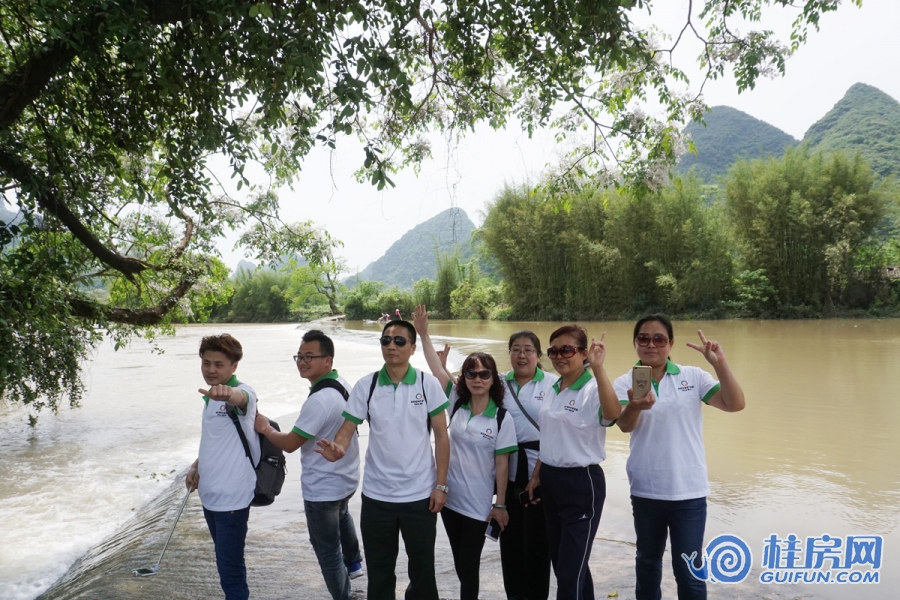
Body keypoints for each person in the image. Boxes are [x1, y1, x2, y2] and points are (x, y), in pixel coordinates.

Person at [611, 315, 745, 600]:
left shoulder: (693, 376)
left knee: (689, 570)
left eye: (659, 339)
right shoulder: (625, 382)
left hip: (689, 492)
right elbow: (624, 425)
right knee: (647, 563)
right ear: (635, 343)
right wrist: (635, 406)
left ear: (670, 344)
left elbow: (735, 404)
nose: (651, 345)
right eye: (644, 338)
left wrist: (719, 363)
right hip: (646, 489)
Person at [316, 319, 450, 600]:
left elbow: (441, 436)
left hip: (419, 495)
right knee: (379, 572)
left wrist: (440, 486)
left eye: (399, 341)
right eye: (386, 340)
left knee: (423, 572)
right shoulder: (367, 385)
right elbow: (347, 430)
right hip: (377, 496)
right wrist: (337, 448)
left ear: (412, 347)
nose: (391, 346)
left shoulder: (427, 384)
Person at [413, 305, 518, 600]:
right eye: (471, 373)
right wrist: (423, 334)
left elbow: (502, 465)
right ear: (465, 377)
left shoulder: (502, 419)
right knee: (460, 563)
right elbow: (436, 370)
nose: (477, 379)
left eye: (484, 374)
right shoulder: (456, 403)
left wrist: (500, 504)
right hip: (449, 498)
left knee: (469, 565)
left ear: (493, 379)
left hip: (478, 504)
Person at [254, 330, 363, 600]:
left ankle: (344, 596)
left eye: (309, 357)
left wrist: (266, 428)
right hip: (347, 478)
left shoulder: (320, 400)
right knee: (342, 514)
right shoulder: (342, 384)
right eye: (299, 357)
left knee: (327, 550)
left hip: (322, 487)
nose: (302, 362)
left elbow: (290, 443)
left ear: (327, 360)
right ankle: (354, 564)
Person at [526, 325, 622, 600]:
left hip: (581, 483)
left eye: (566, 350)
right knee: (564, 562)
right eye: (553, 351)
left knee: (570, 571)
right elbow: (550, 437)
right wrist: (536, 476)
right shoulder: (554, 387)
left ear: (583, 354)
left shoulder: (593, 388)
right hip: (551, 480)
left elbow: (613, 414)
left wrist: (599, 369)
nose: (559, 356)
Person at [186, 334, 259, 600]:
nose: (211, 370)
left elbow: (241, 398)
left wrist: (228, 393)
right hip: (210, 494)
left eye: (219, 364)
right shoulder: (208, 398)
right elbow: (214, 440)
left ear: (234, 366)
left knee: (230, 571)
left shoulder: (244, 394)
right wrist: (196, 466)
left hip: (232, 498)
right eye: (206, 363)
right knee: (225, 563)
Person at [499, 331, 555, 600]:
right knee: (510, 543)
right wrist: (426, 338)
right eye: (516, 349)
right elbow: (465, 389)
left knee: (538, 545)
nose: (522, 355)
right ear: (509, 353)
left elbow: (558, 432)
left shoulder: (554, 384)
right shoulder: (498, 382)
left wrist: (538, 474)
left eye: (528, 350)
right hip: (507, 475)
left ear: (538, 355)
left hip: (542, 475)